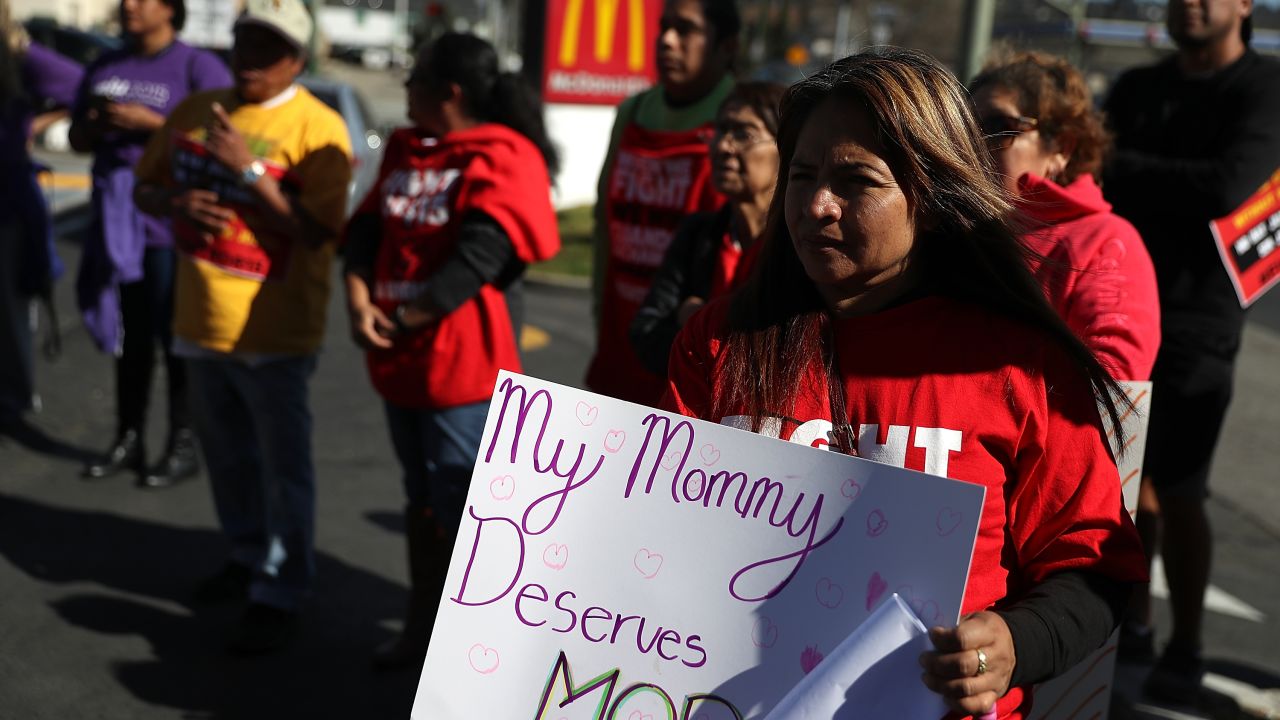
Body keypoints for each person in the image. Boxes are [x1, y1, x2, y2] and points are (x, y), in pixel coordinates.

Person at [662, 49, 1146, 720]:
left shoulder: (1017, 364)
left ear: (933, 194)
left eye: (856, 180)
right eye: (802, 176)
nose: (817, 206)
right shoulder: (715, 345)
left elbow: (1094, 565)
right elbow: (653, 542)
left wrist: (1012, 644)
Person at [132, 0, 352, 653]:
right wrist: (176, 200)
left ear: (298, 60)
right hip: (199, 321)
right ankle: (246, 553)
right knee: (226, 457)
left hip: (275, 334)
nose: (251, 59)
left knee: (284, 467)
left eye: (269, 48)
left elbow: (317, 232)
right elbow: (146, 188)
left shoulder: (321, 129)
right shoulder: (195, 113)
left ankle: (283, 585)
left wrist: (247, 171)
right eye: (244, 42)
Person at [341, 32, 560, 670]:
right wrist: (359, 301)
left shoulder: (502, 153)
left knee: (467, 509)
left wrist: (405, 316)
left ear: (450, 93)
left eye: (415, 79)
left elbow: (483, 256)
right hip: (399, 360)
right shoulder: (408, 149)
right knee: (420, 499)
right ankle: (422, 629)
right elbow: (366, 232)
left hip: (460, 368)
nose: (405, 89)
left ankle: (474, 655)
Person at [1103, 0, 1280, 701]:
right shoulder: (1137, 88)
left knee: (1180, 487)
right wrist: (1169, 177)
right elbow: (1099, 170)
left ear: (1244, 5)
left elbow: (1231, 188)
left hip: (1202, 316)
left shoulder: (1264, 89)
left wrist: (1135, 170)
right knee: (1126, 475)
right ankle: (1136, 624)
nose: (1191, 4)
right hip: (1118, 303)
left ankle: (1188, 645)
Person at [71, 0, 231, 487]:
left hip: (168, 224)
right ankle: (129, 436)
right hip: (116, 218)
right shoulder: (106, 64)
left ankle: (182, 443)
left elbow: (223, 139)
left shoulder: (197, 65)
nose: (128, 6)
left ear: (170, 10)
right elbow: (77, 137)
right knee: (130, 336)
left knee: (173, 338)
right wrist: (98, 124)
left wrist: (153, 125)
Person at [969, 51, 1159, 382]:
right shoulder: (952, 229)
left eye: (999, 127)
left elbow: (1115, 381)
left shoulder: (1106, 241)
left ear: (1062, 148)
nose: (977, 144)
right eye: (967, 128)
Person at [585, 0, 739, 405]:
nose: (667, 41)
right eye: (663, 27)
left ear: (727, 47)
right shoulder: (634, 111)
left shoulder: (742, 119)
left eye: (686, 29)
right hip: (622, 337)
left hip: (693, 354)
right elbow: (605, 221)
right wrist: (600, 310)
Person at [630, 81, 783, 376]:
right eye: (721, 131)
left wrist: (701, 324)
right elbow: (645, 332)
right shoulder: (697, 235)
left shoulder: (802, 247)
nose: (724, 146)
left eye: (744, 134)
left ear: (786, 147)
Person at [0, 8, 81, 431]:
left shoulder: (18, 54)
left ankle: (13, 402)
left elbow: (82, 86)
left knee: (11, 313)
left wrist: (32, 123)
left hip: (9, 202)